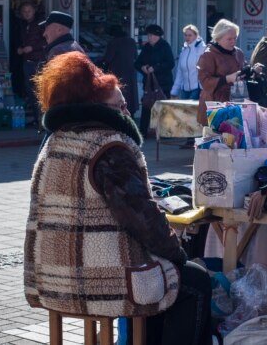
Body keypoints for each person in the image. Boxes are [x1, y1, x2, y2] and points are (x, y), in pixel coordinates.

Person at [25, 52, 211, 345]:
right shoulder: (109, 146)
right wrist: (177, 254)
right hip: (98, 282)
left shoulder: (55, 141)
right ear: (96, 107)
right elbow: (142, 219)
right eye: (120, 105)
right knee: (195, 281)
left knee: (167, 277)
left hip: (51, 279)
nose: (127, 111)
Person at [196, 19, 246, 127]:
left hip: (235, 102)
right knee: (216, 142)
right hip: (214, 106)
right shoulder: (208, 55)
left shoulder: (239, 53)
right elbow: (205, 82)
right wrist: (227, 79)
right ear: (218, 38)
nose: (233, 41)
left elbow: (242, 73)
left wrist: (252, 71)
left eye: (235, 38)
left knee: (236, 141)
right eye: (229, 39)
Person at [134, 24, 174, 135]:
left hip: (163, 83)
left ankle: (165, 132)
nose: (149, 38)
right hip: (149, 83)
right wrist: (143, 68)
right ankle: (142, 132)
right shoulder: (147, 47)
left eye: (151, 35)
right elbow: (137, 63)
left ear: (157, 36)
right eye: (148, 35)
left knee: (163, 108)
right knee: (146, 106)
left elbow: (170, 63)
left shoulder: (165, 46)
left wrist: (155, 68)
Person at [15, 1, 47, 126]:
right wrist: (20, 49)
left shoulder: (40, 24)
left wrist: (32, 48)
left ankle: (43, 120)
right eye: (24, 11)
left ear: (34, 11)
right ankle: (37, 118)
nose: (26, 13)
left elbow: (46, 42)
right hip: (27, 62)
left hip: (38, 62)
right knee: (30, 92)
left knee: (39, 92)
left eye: (29, 11)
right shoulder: (22, 25)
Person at [101, 24, 138, 114]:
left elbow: (107, 59)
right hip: (130, 73)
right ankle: (131, 115)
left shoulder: (114, 43)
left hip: (117, 73)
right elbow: (136, 56)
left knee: (119, 97)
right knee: (130, 96)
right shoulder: (132, 41)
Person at [171, 25, 206, 100]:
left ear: (196, 36)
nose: (187, 37)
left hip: (197, 88)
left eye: (190, 35)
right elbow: (180, 73)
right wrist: (174, 91)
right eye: (185, 35)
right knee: (184, 111)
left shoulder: (202, 50)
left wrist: (204, 88)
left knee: (193, 111)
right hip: (185, 89)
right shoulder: (184, 51)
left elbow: (205, 70)